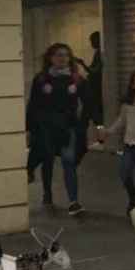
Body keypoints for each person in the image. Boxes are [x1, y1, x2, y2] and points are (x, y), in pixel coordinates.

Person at [26, 43, 87, 216]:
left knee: (69, 161)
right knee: (48, 159)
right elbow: (33, 104)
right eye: (59, 55)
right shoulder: (41, 79)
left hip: (68, 126)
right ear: (50, 58)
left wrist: (91, 124)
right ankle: (47, 194)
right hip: (46, 126)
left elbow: (89, 102)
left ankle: (73, 201)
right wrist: (29, 128)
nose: (63, 59)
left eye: (66, 55)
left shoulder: (76, 79)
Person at [101, 68, 135, 214]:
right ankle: (134, 196)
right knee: (124, 172)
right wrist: (108, 132)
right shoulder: (127, 105)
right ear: (133, 85)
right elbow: (121, 122)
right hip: (131, 146)